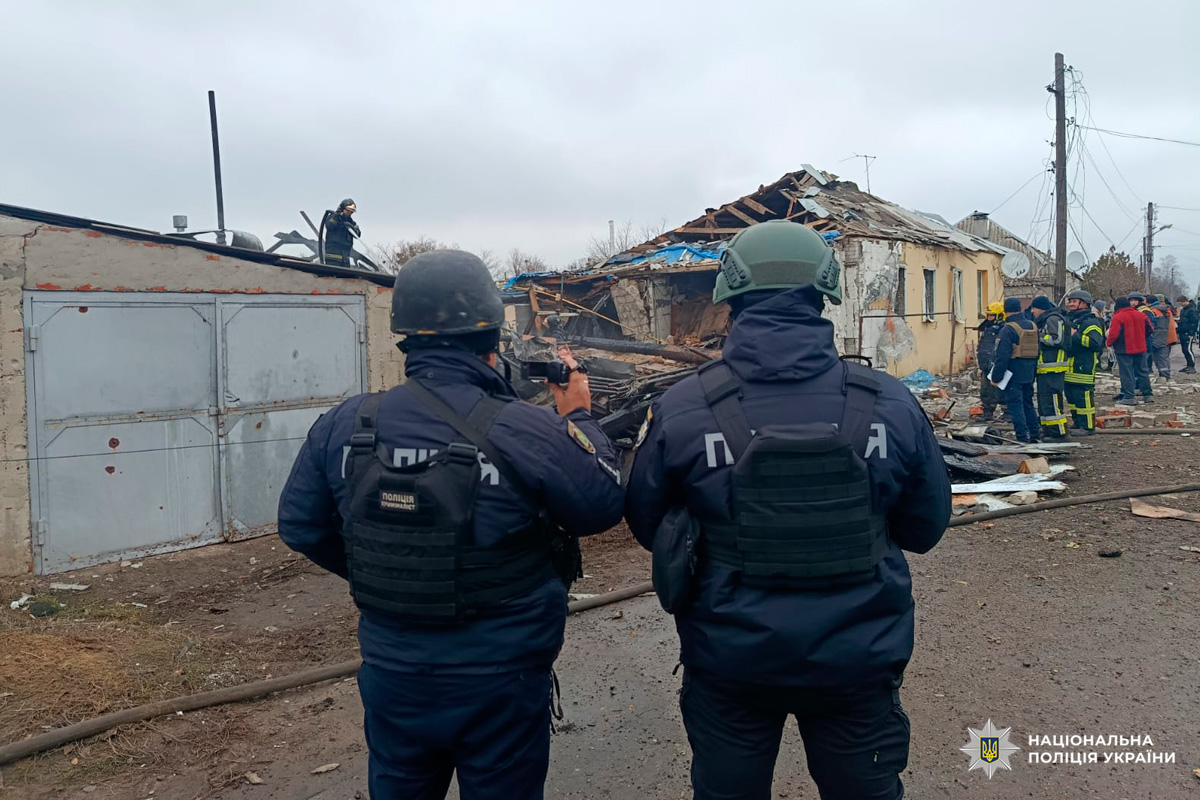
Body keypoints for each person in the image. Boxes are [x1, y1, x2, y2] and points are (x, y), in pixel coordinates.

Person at [277, 250, 625, 799]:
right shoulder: (524, 428)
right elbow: (602, 504)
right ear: (491, 335)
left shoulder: (346, 422)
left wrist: (400, 575)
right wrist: (578, 417)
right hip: (501, 674)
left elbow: (300, 526)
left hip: (394, 668)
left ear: (406, 337)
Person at [624, 220, 951, 800]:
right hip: (859, 656)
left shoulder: (683, 406)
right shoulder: (889, 403)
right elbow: (925, 528)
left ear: (731, 295)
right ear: (823, 293)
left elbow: (649, 524)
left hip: (731, 660)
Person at [991, 297, 1041, 443]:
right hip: (1029, 372)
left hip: (1012, 373)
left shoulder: (1008, 329)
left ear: (1005, 312)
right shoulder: (1032, 326)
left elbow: (1002, 356)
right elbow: (1038, 350)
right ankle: (1034, 435)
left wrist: (996, 377)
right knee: (1028, 403)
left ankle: (1021, 438)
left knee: (1015, 406)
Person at [1028, 296, 1071, 441]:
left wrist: (1037, 337)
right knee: (1044, 402)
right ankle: (1048, 430)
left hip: (1053, 368)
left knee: (1052, 401)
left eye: (1034, 308)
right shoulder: (1045, 320)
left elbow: (1056, 339)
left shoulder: (1053, 319)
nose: (1032, 311)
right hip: (1045, 369)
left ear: (1041, 308)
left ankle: (1058, 433)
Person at [1063, 289, 1105, 435]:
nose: (1071, 304)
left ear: (1084, 303)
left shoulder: (1091, 322)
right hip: (1070, 367)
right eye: (1070, 301)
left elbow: (1095, 343)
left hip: (1083, 366)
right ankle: (1077, 422)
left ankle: (1087, 426)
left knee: (1083, 398)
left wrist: (1075, 336)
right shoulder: (1071, 319)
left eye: (1074, 301)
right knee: (1072, 397)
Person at [1107, 295, 1155, 405]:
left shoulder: (1118, 317)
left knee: (1126, 373)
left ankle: (1129, 396)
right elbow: (1150, 329)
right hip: (1141, 347)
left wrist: (1109, 344)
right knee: (1143, 371)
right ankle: (1148, 395)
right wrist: (1142, 337)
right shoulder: (1141, 315)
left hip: (1124, 350)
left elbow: (1113, 334)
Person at [977, 302, 1005, 421]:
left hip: (995, 363)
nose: (989, 318)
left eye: (992, 316)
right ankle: (987, 412)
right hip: (985, 363)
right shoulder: (987, 328)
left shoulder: (1002, 329)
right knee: (986, 389)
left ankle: (1007, 412)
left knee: (1000, 388)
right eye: (988, 315)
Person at [323, 198, 361, 266]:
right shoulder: (332, 217)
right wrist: (337, 216)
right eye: (348, 211)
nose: (350, 213)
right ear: (342, 208)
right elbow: (329, 226)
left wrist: (352, 227)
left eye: (351, 212)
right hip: (333, 258)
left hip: (345, 258)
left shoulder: (351, 222)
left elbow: (357, 235)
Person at [1177, 296, 1198, 374]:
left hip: (1188, 333)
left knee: (1188, 349)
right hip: (1183, 331)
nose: (1180, 304)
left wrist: (1191, 333)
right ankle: (1188, 365)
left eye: (1181, 303)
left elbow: (1194, 322)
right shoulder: (1184, 310)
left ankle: (1191, 366)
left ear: (1185, 301)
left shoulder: (1192, 310)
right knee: (1184, 350)